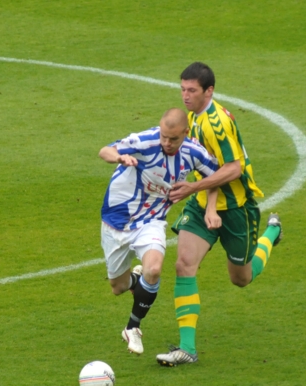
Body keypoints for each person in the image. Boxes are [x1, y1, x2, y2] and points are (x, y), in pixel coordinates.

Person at [156, 62, 284, 367]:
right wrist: (206, 203)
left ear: (208, 91)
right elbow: (206, 164)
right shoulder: (192, 118)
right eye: (182, 89)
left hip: (239, 209)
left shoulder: (218, 123)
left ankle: (272, 233)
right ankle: (187, 348)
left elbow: (232, 169)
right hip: (202, 204)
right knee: (184, 264)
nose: (185, 96)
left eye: (192, 90)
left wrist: (192, 188)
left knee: (241, 278)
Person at [98, 108, 238, 355]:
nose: (167, 142)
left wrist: (211, 210)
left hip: (151, 221)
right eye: (164, 136)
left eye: (173, 138)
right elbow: (105, 151)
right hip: (116, 221)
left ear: (185, 133)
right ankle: (135, 282)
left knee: (154, 269)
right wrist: (121, 158)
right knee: (118, 287)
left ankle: (133, 327)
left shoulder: (193, 152)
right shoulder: (145, 141)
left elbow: (215, 177)